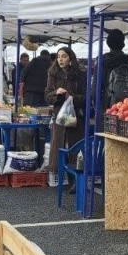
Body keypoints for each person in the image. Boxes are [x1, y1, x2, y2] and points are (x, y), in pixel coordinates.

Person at [46, 47, 86, 183]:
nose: (60, 59)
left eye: (64, 56)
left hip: (75, 116)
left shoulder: (80, 75)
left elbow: (86, 97)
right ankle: (59, 176)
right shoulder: (53, 74)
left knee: (75, 145)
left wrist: (71, 97)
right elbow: (47, 96)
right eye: (58, 56)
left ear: (70, 58)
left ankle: (76, 179)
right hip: (59, 115)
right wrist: (56, 93)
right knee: (58, 145)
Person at [101, 29, 128, 106]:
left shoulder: (103, 60)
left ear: (108, 43)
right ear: (123, 44)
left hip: (108, 104)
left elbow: (96, 87)